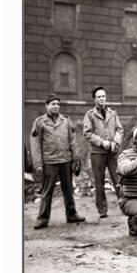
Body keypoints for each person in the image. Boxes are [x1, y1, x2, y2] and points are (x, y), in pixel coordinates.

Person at [30, 94, 86, 230]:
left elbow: (72, 140)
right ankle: (42, 219)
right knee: (47, 191)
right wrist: (38, 164)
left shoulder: (65, 121)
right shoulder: (40, 122)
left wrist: (76, 158)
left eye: (57, 104)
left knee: (68, 189)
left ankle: (72, 214)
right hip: (50, 161)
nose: (56, 106)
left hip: (65, 160)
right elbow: (35, 144)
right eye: (53, 104)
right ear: (47, 106)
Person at [83, 86, 123, 218]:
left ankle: (125, 205)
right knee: (99, 182)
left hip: (112, 152)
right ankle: (102, 210)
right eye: (99, 96)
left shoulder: (113, 113)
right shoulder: (90, 115)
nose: (102, 99)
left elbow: (119, 129)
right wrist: (102, 142)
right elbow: (87, 133)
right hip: (97, 153)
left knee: (118, 179)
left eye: (103, 96)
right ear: (94, 99)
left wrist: (116, 142)